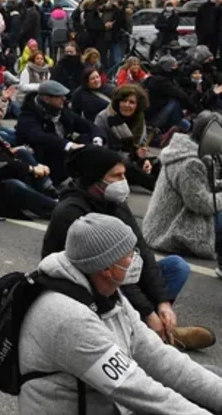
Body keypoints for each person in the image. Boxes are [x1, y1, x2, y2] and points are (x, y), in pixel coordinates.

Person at [18, 213, 222, 415]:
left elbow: (161, 359)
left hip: (112, 411)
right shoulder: (68, 318)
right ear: (105, 267)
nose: (137, 258)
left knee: (210, 376)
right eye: (129, 253)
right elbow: (136, 388)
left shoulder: (106, 291)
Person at [42, 146, 211, 351]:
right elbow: (110, 272)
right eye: (117, 176)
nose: (124, 181)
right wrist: (149, 312)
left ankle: (152, 331)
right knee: (119, 276)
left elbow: (142, 251)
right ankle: (147, 335)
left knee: (176, 267)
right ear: (95, 178)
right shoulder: (71, 212)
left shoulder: (114, 202)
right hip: (85, 287)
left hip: (116, 275)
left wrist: (163, 303)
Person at [142, 112, 222, 275]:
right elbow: (203, 204)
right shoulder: (190, 163)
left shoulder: (185, 152)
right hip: (170, 232)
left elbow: (205, 186)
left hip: (159, 226)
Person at [15, 80, 103, 186]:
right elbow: (39, 136)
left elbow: (87, 125)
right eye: (59, 96)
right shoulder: (27, 116)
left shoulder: (62, 110)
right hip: (42, 161)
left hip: (63, 155)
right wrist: (67, 145)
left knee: (87, 138)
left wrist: (97, 139)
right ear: (47, 99)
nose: (64, 99)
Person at [95, 84, 159, 192]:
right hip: (111, 163)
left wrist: (145, 159)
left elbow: (141, 145)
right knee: (130, 168)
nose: (127, 105)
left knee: (158, 163)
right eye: (123, 101)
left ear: (138, 105)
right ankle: (158, 189)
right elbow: (101, 151)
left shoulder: (139, 119)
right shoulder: (104, 117)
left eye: (132, 102)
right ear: (117, 102)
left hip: (132, 158)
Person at [145, 55, 194, 134]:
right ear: (167, 68)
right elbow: (181, 95)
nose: (177, 68)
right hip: (154, 118)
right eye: (174, 66)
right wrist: (194, 108)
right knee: (175, 102)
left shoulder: (155, 77)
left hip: (154, 113)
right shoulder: (161, 81)